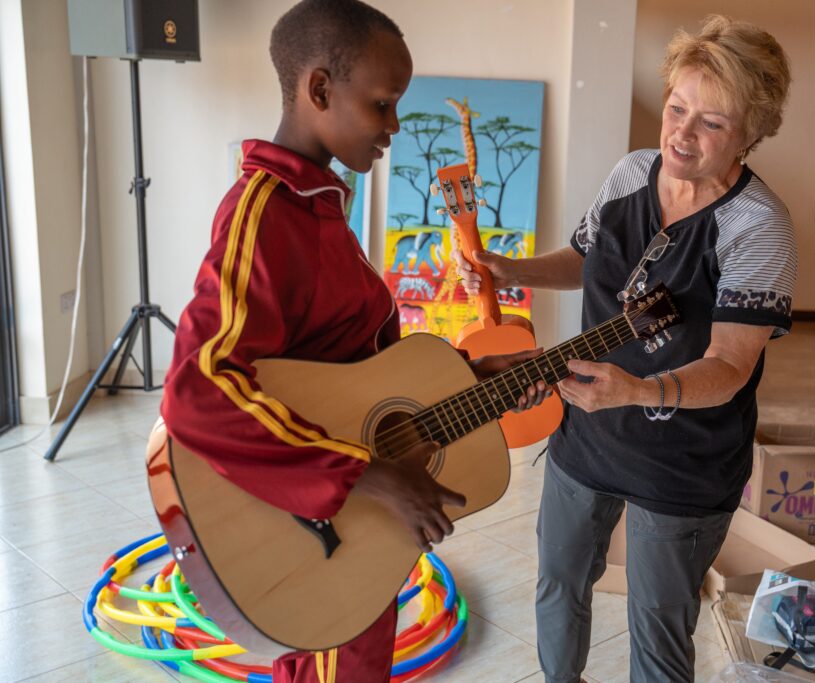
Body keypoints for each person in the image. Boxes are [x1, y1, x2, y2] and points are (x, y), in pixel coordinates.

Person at [160, 1, 546, 681]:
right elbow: (198, 388)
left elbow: (347, 366)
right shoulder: (265, 212)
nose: (395, 126)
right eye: (383, 104)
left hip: (356, 532)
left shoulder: (319, 208)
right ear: (318, 90)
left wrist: (469, 375)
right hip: (321, 520)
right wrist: (365, 476)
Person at [456, 15, 797, 683]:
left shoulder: (758, 226)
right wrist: (512, 271)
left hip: (684, 463)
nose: (681, 132)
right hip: (585, 435)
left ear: (752, 134)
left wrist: (637, 390)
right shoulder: (631, 173)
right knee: (558, 581)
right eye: (677, 107)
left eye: (712, 123)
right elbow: (585, 257)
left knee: (659, 628)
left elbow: (729, 366)